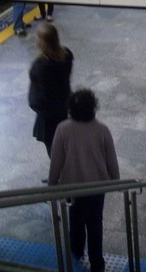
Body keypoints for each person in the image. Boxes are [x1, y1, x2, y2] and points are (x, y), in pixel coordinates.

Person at [48, 89, 119, 272]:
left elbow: (56, 161)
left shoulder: (63, 129)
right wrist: (116, 180)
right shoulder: (102, 130)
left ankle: (77, 250)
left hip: (73, 187)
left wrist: (52, 184)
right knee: (95, 224)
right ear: (93, 107)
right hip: (97, 188)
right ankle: (97, 263)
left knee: (76, 220)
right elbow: (111, 159)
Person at [29, 23, 74, 157]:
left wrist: (35, 105)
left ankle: (60, 175)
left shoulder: (40, 67)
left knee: (53, 149)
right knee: (62, 142)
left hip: (48, 117)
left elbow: (38, 98)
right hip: (63, 107)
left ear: (42, 42)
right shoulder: (66, 55)